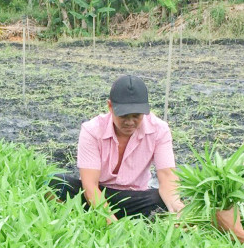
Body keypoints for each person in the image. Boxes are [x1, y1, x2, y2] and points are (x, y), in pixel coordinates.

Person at [49, 75, 184, 221]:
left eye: (136, 116)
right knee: (54, 183)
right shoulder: (92, 130)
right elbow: (90, 186)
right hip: (97, 194)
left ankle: (94, 217)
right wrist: (112, 224)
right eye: (124, 115)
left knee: (161, 200)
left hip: (134, 197)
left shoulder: (159, 130)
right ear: (110, 106)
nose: (130, 122)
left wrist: (177, 208)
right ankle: (75, 218)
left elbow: (167, 176)